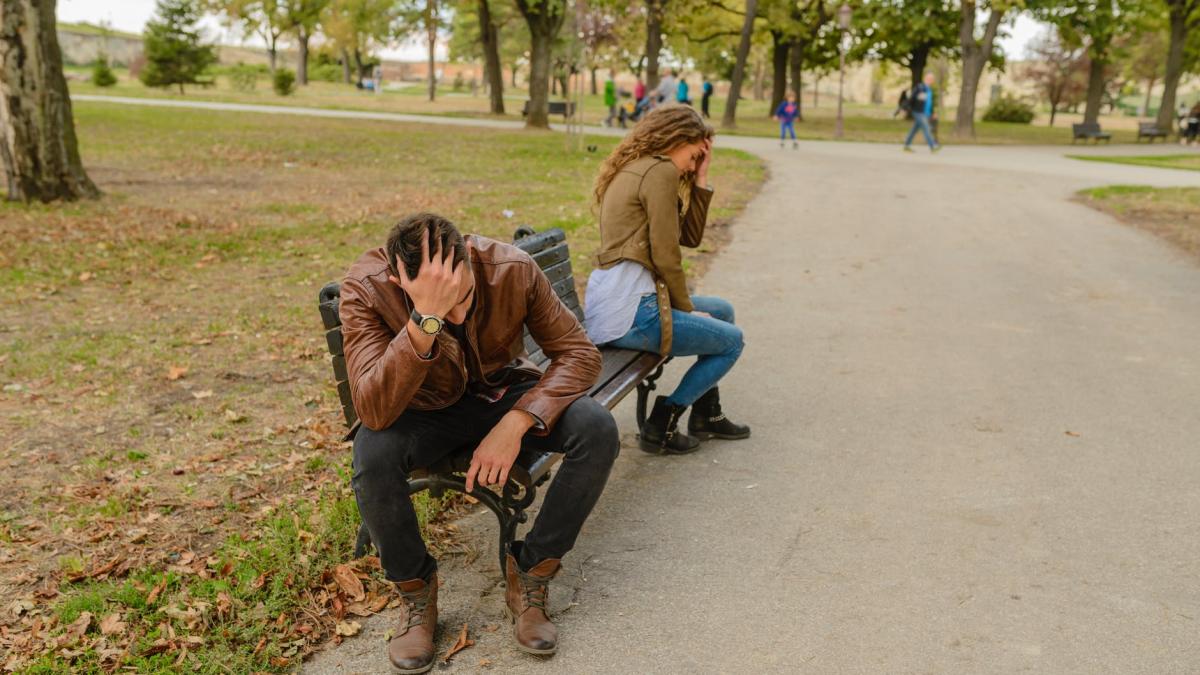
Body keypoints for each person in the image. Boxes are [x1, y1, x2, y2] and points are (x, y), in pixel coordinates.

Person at [341, 213, 619, 672]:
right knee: (373, 452)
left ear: (469, 257)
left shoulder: (510, 268)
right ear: (398, 279)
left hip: (501, 393)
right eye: (437, 306)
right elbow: (373, 410)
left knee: (596, 427)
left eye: (462, 296)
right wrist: (423, 321)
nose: (457, 315)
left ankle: (531, 574)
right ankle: (416, 595)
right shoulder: (367, 287)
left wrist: (516, 422)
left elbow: (579, 355)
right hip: (421, 406)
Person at [585, 105, 751, 455]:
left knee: (722, 310)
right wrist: (687, 309)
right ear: (677, 139)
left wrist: (702, 179)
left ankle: (706, 415)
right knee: (733, 341)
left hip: (623, 302)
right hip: (631, 311)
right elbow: (665, 255)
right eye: (694, 157)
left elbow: (687, 238)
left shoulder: (643, 167)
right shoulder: (658, 172)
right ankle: (665, 418)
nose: (692, 166)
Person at [903, 73, 940, 153]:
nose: (930, 81)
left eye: (932, 79)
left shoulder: (929, 90)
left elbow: (930, 103)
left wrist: (933, 112)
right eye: (929, 79)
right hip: (918, 112)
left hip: (925, 113)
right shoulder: (920, 88)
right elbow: (911, 98)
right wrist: (906, 109)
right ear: (925, 79)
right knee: (927, 128)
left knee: (914, 130)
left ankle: (906, 145)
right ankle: (933, 146)